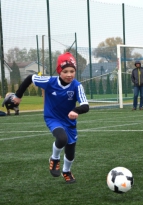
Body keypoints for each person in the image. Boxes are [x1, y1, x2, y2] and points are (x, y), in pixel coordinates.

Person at [13, 52, 89, 184]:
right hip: (52, 118)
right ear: (59, 71)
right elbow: (30, 78)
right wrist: (18, 96)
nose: (69, 74)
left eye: (72, 71)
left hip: (69, 121)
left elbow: (85, 105)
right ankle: (54, 158)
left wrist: (76, 110)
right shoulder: (50, 81)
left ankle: (66, 171)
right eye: (65, 71)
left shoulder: (77, 86)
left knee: (70, 153)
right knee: (61, 138)